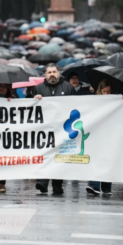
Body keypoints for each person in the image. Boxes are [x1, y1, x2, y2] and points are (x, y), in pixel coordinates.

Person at [33, 63, 77, 194]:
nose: (52, 74)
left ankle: (57, 184)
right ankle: (42, 182)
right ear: (45, 75)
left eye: (54, 72)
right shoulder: (38, 88)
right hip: (44, 129)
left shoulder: (68, 88)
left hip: (62, 129)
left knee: (59, 157)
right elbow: (28, 106)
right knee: (45, 155)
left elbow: (78, 105)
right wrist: (34, 99)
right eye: (49, 72)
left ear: (58, 73)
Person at [86, 79, 123, 195]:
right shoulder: (95, 100)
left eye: (108, 92)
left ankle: (106, 186)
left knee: (108, 158)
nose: (106, 94)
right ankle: (94, 185)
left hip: (110, 133)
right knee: (96, 158)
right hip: (97, 134)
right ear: (100, 90)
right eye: (104, 91)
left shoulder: (115, 99)